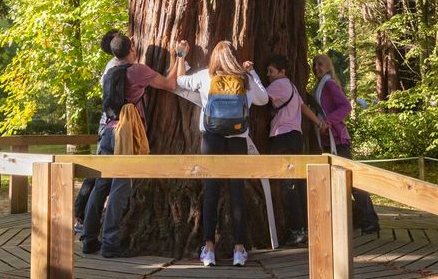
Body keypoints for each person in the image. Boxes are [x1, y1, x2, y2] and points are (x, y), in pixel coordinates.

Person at [81, 34, 187, 258]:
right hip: (125, 135)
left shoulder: (109, 72)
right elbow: (169, 83)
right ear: (131, 47)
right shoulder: (137, 70)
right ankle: (110, 244)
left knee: (101, 187)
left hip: (108, 131)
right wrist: (179, 56)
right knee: (120, 188)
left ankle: (89, 239)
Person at [176, 41, 269, 267]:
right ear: (234, 57)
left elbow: (179, 81)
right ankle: (239, 249)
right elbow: (263, 99)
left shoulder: (204, 77)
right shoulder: (244, 79)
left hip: (211, 139)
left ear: (215, 57)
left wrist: (180, 55)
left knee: (211, 192)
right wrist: (252, 71)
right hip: (237, 140)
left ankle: (208, 249)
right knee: (237, 192)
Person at [312, 54, 380, 236]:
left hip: (338, 141)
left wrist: (327, 121)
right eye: (314, 65)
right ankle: (356, 218)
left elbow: (345, 107)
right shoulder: (320, 86)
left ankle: (370, 220)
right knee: (337, 183)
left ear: (328, 67)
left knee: (352, 181)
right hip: (328, 141)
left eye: (320, 64)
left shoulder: (329, 85)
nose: (316, 68)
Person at [265, 54, 326, 246]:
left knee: (287, 183)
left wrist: (250, 75)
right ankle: (305, 227)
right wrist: (319, 122)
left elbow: (258, 97)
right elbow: (304, 108)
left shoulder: (278, 85)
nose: (268, 75)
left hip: (282, 137)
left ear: (282, 72)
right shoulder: (291, 86)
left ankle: (298, 229)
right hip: (296, 137)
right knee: (297, 183)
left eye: (271, 71)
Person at [74, 29, 120, 235]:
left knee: (97, 173)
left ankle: (81, 216)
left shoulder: (112, 65)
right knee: (98, 175)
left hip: (107, 123)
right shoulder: (115, 66)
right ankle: (81, 218)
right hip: (110, 124)